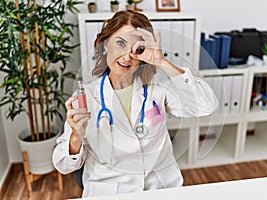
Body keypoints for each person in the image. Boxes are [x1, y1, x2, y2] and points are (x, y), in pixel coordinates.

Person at [52, 10, 218, 197]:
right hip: (110, 192)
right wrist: (75, 136)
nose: (126, 56)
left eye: (136, 48)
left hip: (161, 189)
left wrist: (162, 62)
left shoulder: (158, 87)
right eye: (120, 43)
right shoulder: (85, 97)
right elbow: (63, 165)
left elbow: (205, 106)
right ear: (106, 44)